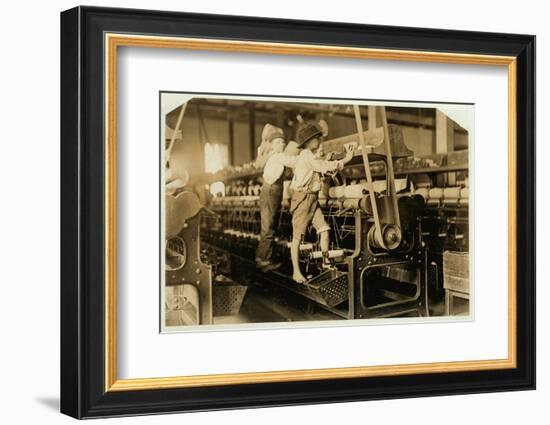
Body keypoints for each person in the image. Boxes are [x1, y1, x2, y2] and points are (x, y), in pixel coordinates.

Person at [290, 122, 354, 283]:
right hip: (303, 199)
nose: (319, 140)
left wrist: (331, 158)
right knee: (297, 238)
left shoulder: (309, 156)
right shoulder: (306, 156)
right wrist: (346, 159)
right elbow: (324, 165)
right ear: (309, 141)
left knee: (324, 229)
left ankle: (325, 262)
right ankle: (296, 272)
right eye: (317, 138)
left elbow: (321, 163)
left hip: (312, 199)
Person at [255, 130, 300, 271]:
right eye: (277, 142)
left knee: (269, 226)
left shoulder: (272, 156)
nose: (281, 144)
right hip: (271, 191)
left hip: (271, 190)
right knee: (268, 226)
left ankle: (261, 257)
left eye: (282, 142)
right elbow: (294, 162)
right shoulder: (278, 156)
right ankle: (264, 260)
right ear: (273, 146)